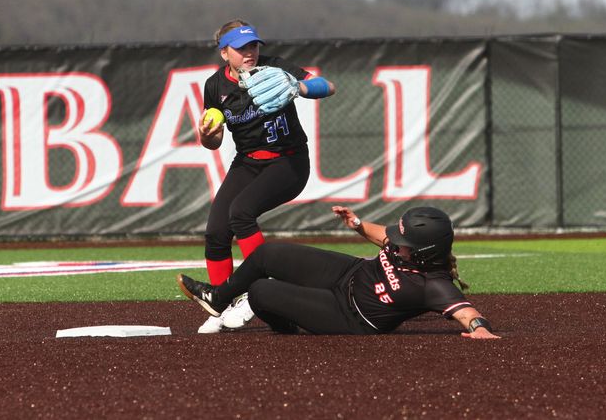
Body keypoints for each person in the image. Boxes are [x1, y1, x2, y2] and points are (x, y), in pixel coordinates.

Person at [196, 19, 336, 333]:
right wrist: (207, 135)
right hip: (247, 162)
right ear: (224, 53)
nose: (250, 52)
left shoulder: (275, 68)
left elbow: (328, 86)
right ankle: (221, 306)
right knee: (216, 232)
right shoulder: (215, 86)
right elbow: (213, 141)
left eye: (253, 45)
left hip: (289, 163)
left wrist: (298, 86)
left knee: (241, 212)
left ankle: (262, 292)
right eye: (241, 47)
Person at [177, 205, 500, 338]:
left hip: (350, 317)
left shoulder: (434, 284)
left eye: (403, 241)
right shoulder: (408, 247)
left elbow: (467, 312)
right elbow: (380, 235)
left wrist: (480, 328)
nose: (395, 242)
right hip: (347, 273)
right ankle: (218, 298)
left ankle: (290, 322)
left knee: (261, 291)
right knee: (267, 254)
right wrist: (358, 224)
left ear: (424, 252)